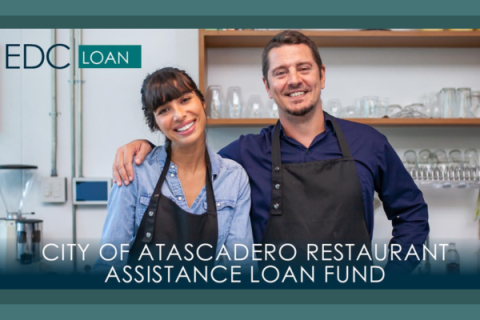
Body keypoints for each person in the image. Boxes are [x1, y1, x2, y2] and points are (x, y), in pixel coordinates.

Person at [111, 31, 429, 274]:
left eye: (303, 68)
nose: (294, 80)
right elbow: (188, 163)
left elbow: (411, 213)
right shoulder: (242, 155)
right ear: (267, 86)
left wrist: (393, 279)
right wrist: (147, 149)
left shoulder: (368, 142)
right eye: (280, 72)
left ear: (322, 75)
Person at [94, 67, 254, 273]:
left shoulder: (233, 177)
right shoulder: (135, 173)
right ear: (155, 124)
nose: (179, 115)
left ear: (202, 103)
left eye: (185, 100)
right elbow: (108, 265)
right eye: (164, 110)